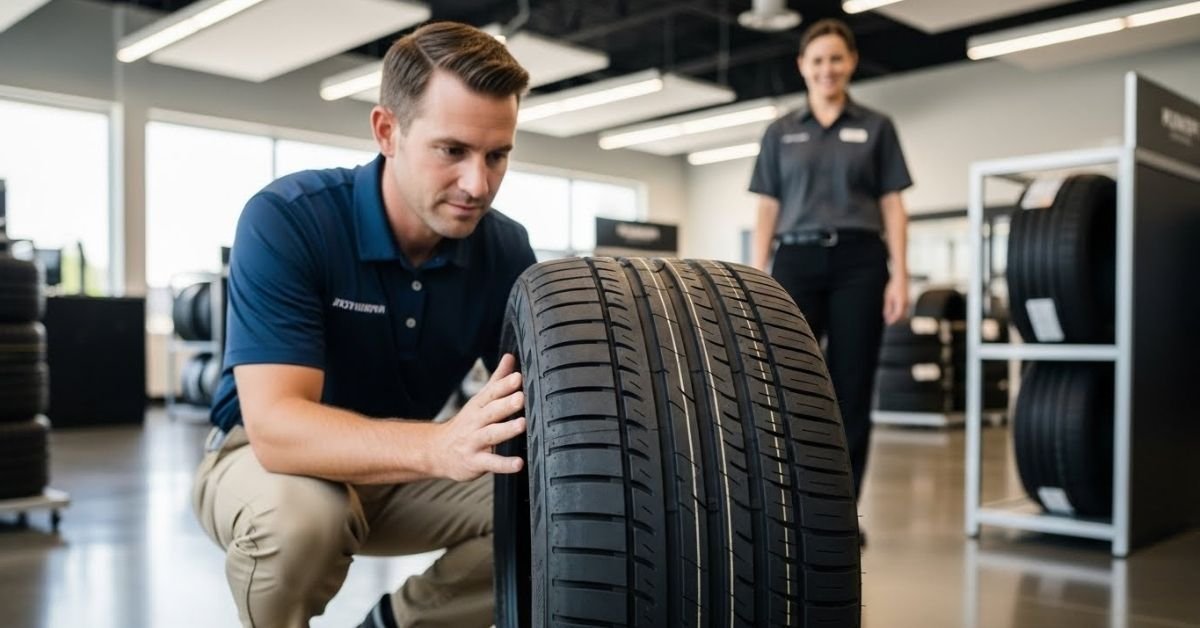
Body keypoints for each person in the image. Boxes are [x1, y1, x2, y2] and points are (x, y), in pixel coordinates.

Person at [191, 22, 538, 628]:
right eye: (452, 150)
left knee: (554, 509)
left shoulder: (505, 249)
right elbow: (276, 428)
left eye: (497, 155)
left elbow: (537, 398)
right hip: (270, 463)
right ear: (387, 131)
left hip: (403, 470)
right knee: (303, 519)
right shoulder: (290, 220)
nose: (477, 184)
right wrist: (439, 445)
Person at [748, 19, 912, 524]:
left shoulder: (877, 126)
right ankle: (785, 505)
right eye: (817, 60)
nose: (827, 69)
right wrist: (756, 275)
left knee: (853, 387)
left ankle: (842, 514)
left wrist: (902, 275)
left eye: (835, 59)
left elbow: (893, 205)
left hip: (860, 263)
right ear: (802, 66)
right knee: (782, 381)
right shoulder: (781, 132)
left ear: (851, 62)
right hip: (794, 261)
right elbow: (767, 209)